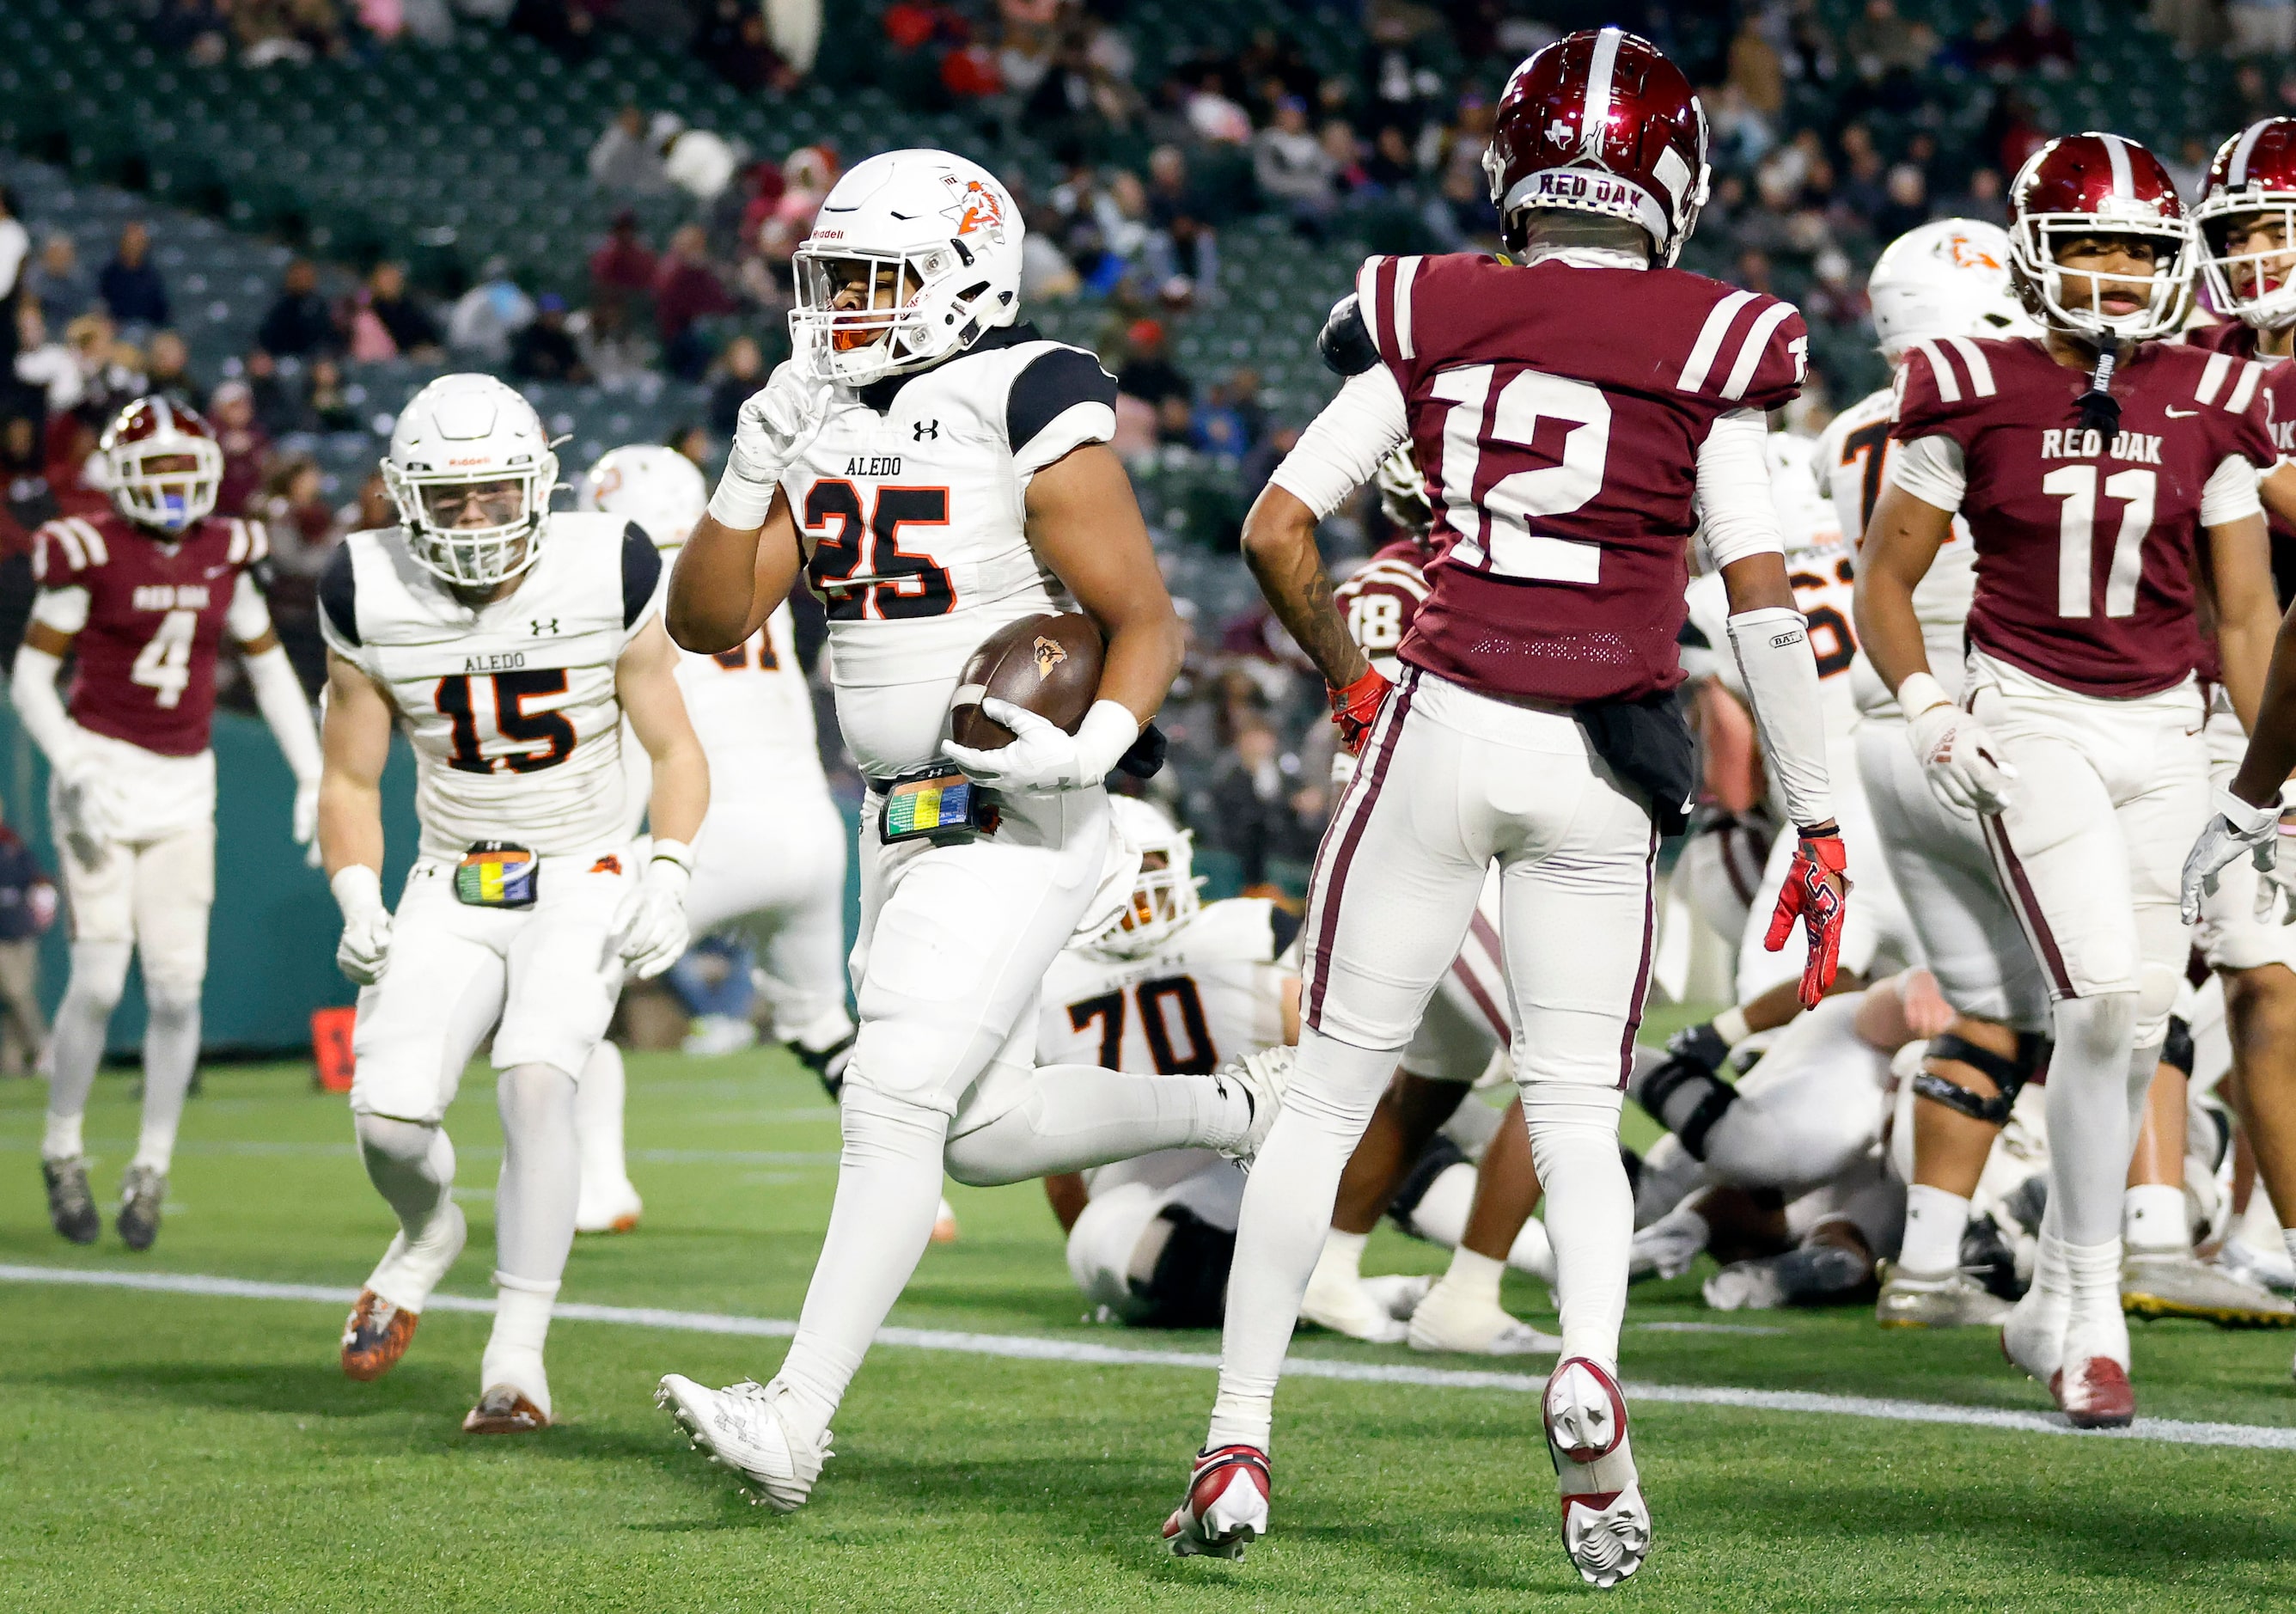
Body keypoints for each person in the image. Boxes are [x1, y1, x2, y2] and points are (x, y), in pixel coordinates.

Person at [1177, 30, 1841, 1586]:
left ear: (1513, 166)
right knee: (1566, 1103)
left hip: (1442, 721)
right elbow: (1756, 606)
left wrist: (1352, 677)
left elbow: (1278, 528)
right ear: (1672, 182)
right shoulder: (1716, 336)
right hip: (1602, 757)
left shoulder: (1429, 303)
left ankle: (1239, 1430)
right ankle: (1590, 1365)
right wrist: (1812, 811)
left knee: (1332, 1089)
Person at [651, 148, 1287, 1512]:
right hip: (898, 818)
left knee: (889, 1094)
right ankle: (1253, 1107)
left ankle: (796, 1416)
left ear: (962, 276)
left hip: (1021, 799)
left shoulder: (1023, 387)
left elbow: (1143, 616)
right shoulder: (811, 411)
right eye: (829, 280)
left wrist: (1099, 747)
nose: (841, 308)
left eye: (874, 280)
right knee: (985, 1126)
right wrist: (744, 468)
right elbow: (707, 620)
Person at [1856, 132, 2282, 1428]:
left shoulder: (2213, 389)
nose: (2111, 272)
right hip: (2029, 712)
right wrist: (1931, 705)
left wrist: (2273, 785)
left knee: (2138, 1015)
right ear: (2037, 253)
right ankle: (2092, 1314)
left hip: (2166, 725)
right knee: (2095, 991)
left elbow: (2251, 615)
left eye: (2139, 250)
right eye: (2088, 243)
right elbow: (1887, 575)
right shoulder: (1966, 381)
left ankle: (2055, 1294)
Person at [316, 373, 707, 1434]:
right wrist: (357, 892)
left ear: (541, 483)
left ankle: (515, 1357)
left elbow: (674, 745)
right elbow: (348, 780)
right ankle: (427, 1233)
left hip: (581, 861)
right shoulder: (361, 583)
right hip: (451, 872)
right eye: (451, 499)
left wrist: (666, 865)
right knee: (391, 1124)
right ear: (404, 498)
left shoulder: (607, 560)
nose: (477, 518)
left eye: (497, 492)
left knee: (538, 1082)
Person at [13, 396, 321, 1250]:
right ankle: (63, 1144)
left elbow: (268, 672)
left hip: (187, 780)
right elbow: (31, 681)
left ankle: (151, 1163)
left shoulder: (227, 549)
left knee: (180, 989)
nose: (178, 489)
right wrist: (70, 760)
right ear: (124, 480)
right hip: (103, 772)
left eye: (189, 471)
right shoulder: (91, 550)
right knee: (104, 979)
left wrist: (311, 774)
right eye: (160, 473)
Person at [571, 443, 852, 1232]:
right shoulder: (745, 570)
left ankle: (600, 1186)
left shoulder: (622, 587)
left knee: (566, 971)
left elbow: (636, 743)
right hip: (810, 829)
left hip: (718, 829)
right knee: (822, 1026)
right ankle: (916, 1195)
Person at [2174, 118, 2296, 1342]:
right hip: (2223, 705)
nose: (2257, 254)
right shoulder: (2203, 362)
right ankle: (2245, 1229)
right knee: (2258, 974)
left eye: (2277, 227)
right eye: (2239, 232)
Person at [1041, 798, 1295, 1327]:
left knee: (1380, 1097)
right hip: (1144, 1210)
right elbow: (1058, 1166)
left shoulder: (1245, 927)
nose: (1135, 890)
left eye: (1146, 868)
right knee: (1097, 1239)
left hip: (1259, 1166)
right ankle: (1317, 1296)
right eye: (1118, 873)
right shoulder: (1046, 979)